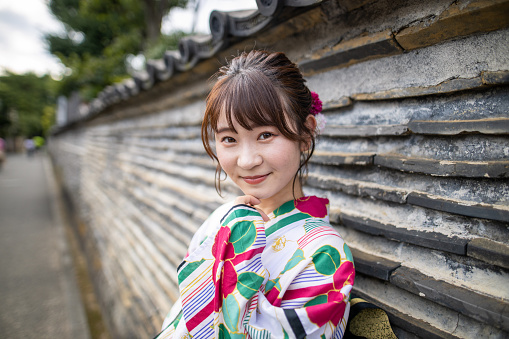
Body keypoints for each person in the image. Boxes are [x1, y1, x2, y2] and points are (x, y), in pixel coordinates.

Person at [155, 50, 355, 339]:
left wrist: (241, 241)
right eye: (229, 139)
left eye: (265, 135)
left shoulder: (325, 254)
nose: (247, 160)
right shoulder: (221, 219)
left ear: (305, 134)